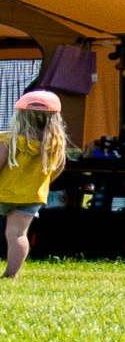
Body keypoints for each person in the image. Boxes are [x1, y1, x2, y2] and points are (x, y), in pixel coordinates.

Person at [0, 89, 60, 275]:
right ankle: (12, 274)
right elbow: (56, 170)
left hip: (4, 192)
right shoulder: (55, 143)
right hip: (32, 195)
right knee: (17, 234)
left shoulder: (8, 139)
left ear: (20, 116)